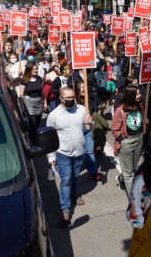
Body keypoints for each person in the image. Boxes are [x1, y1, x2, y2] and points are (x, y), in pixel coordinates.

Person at [46, 87, 91, 225]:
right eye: (68, 98)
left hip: (79, 152)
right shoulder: (53, 116)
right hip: (63, 154)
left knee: (75, 177)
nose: (71, 100)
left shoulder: (82, 109)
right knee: (66, 181)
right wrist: (51, 157)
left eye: (72, 97)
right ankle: (65, 209)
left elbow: (89, 127)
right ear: (60, 98)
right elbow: (49, 139)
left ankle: (73, 195)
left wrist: (90, 122)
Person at [111, 85, 144, 198]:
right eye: (137, 94)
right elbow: (115, 129)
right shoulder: (120, 111)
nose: (140, 96)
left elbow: (141, 121)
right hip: (127, 142)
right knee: (129, 175)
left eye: (140, 93)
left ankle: (121, 178)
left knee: (131, 168)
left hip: (139, 140)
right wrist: (123, 141)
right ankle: (134, 200)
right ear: (130, 96)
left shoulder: (140, 106)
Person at [75, 82, 101, 182]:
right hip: (77, 132)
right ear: (77, 89)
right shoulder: (73, 102)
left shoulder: (88, 101)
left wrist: (92, 122)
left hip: (88, 131)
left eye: (84, 87)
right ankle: (74, 176)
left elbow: (92, 115)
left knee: (89, 152)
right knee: (78, 155)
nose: (84, 89)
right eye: (81, 87)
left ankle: (93, 172)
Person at [19, 61, 47, 130]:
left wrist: (45, 102)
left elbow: (42, 92)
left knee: (38, 122)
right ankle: (33, 138)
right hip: (29, 103)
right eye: (34, 69)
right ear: (29, 70)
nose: (36, 71)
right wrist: (22, 107)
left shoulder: (39, 79)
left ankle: (36, 136)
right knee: (32, 122)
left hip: (39, 103)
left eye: (36, 69)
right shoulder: (24, 80)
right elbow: (21, 95)